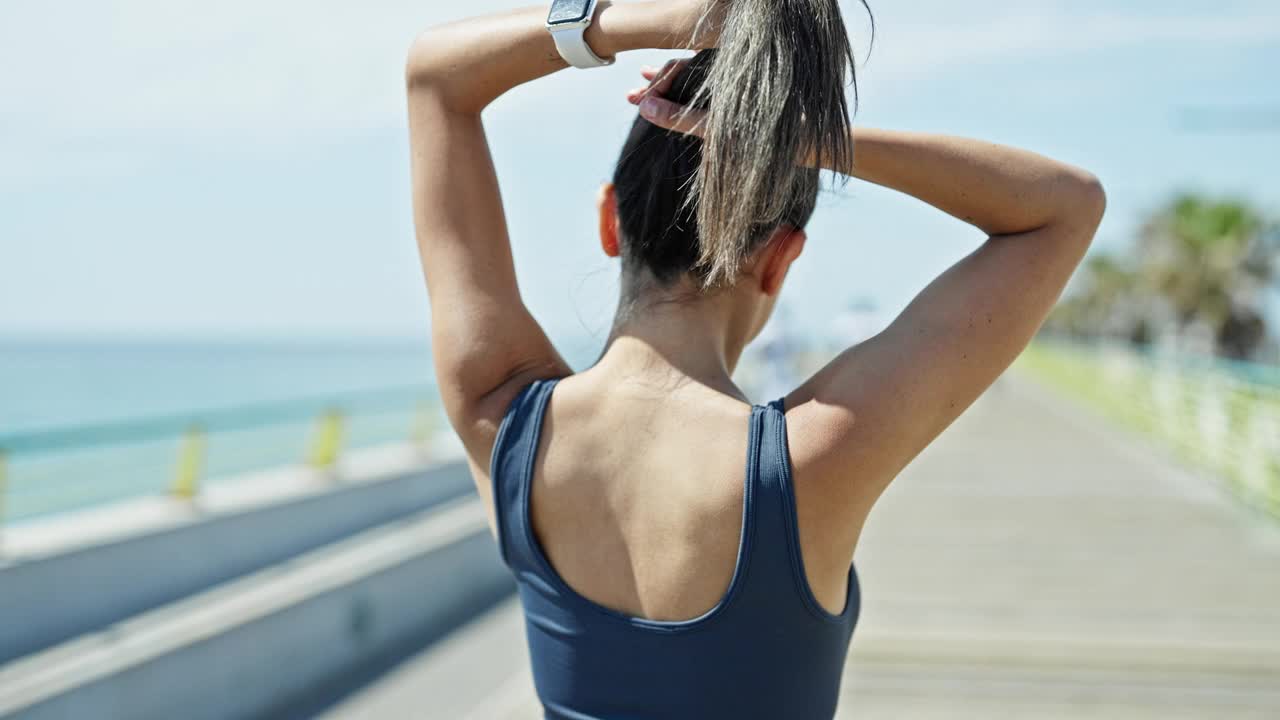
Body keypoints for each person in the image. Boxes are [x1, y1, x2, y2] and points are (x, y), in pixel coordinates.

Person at [404, 1, 1105, 717]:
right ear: (780, 260)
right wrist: (807, 143)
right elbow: (1063, 208)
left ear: (610, 221)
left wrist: (664, 19)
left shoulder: (498, 413)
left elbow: (435, 76)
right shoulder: (809, 461)